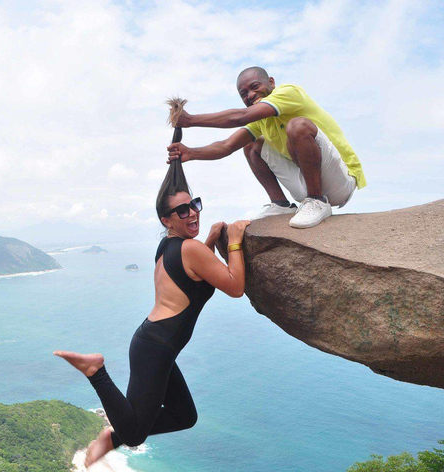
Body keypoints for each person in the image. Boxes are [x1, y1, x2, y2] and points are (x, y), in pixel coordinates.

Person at [54, 188, 250, 468]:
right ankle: (96, 372)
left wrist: (207, 240)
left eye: (194, 204)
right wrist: (234, 241)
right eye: (182, 210)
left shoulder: (170, 246)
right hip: (155, 349)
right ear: (166, 221)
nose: (193, 212)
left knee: (185, 417)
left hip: (155, 346)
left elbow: (192, 273)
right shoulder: (190, 249)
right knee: (134, 434)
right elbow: (235, 287)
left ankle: (112, 438)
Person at [166, 67, 366, 228]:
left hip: (340, 181)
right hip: (304, 183)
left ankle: (317, 201)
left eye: (255, 87)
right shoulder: (260, 120)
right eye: (244, 94)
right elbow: (226, 146)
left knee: (297, 126)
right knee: (252, 143)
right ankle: (281, 205)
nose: (251, 95)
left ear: (271, 82)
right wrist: (190, 153)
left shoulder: (289, 93)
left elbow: (240, 116)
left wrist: (190, 120)